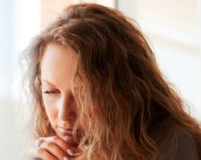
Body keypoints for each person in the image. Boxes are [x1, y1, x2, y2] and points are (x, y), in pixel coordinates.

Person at [22, 3, 201, 160]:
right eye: (50, 92)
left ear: (123, 89)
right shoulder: (52, 151)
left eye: (84, 95)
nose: (63, 114)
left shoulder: (173, 142)